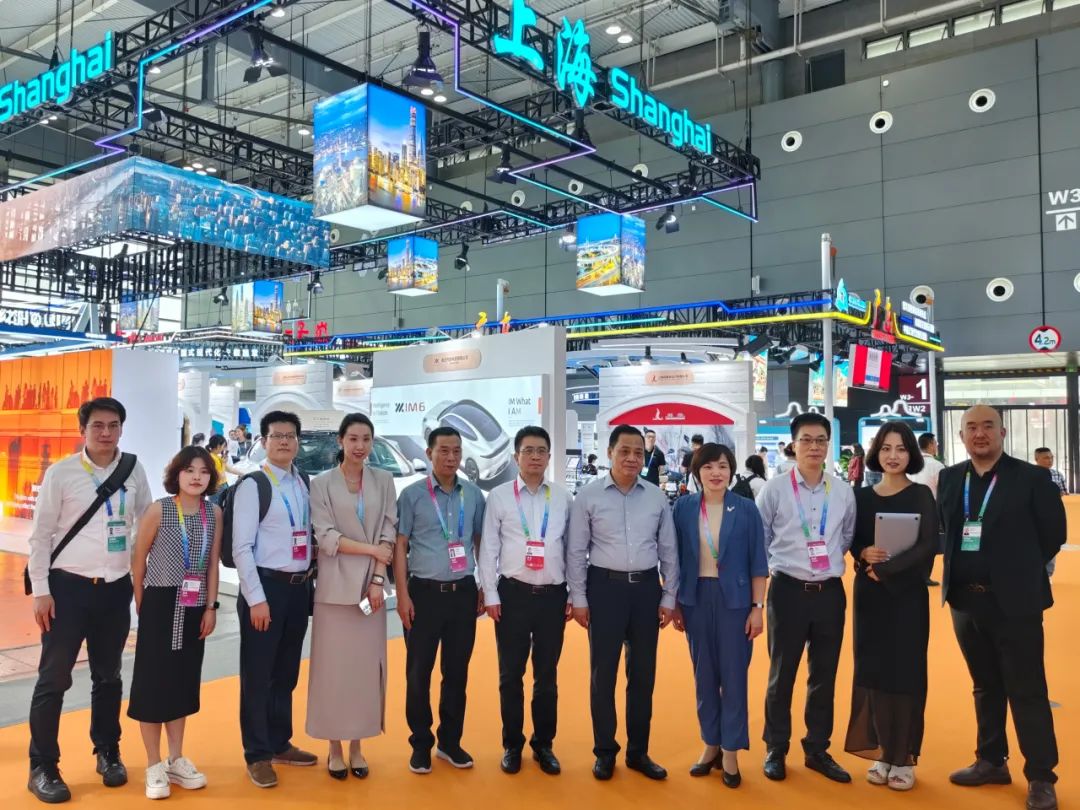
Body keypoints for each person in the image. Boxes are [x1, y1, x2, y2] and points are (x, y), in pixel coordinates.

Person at [26, 398, 154, 804]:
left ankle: (107, 751)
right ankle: (42, 766)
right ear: (82, 429)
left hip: (114, 589)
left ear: (121, 429)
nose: (106, 433)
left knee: (109, 676)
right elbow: (41, 535)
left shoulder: (133, 470)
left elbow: (146, 524)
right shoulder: (62, 473)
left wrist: (143, 581)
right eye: (98, 425)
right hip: (67, 590)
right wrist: (41, 591)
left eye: (113, 425)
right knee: (53, 679)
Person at [938, 405, 1065, 810]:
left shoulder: (1032, 478)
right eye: (971, 427)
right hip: (965, 601)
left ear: (1003, 432)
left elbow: (1053, 534)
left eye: (988, 426)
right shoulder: (950, 478)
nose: (980, 434)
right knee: (984, 685)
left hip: (1015, 604)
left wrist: (1017, 572)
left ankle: (1041, 776)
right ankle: (991, 760)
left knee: (1027, 689)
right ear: (961, 436)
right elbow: (948, 531)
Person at [567, 425, 679, 781]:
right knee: (603, 675)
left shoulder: (656, 497)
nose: (632, 458)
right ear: (610, 452)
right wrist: (579, 598)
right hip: (604, 590)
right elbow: (576, 551)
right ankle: (605, 751)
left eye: (638, 452)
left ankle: (638, 752)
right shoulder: (588, 496)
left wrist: (669, 595)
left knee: (643, 675)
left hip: (646, 590)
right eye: (624, 451)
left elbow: (669, 550)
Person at [756, 412, 857, 784]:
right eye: (807, 440)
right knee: (781, 674)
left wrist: (823, 564)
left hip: (829, 593)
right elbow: (761, 539)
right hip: (787, 591)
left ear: (828, 445)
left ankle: (817, 748)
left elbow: (846, 538)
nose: (814, 447)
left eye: (821, 440)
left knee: (824, 675)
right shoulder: (774, 489)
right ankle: (776, 747)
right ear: (793, 445)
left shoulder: (842, 491)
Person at [844, 422, 938, 791]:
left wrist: (886, 569)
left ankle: (904, 757)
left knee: (906, 673)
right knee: (874, 672)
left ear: (911, 454)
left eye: (900, 448)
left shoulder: (921, 495)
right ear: (876, 453)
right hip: (869, 597)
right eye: (886, 448)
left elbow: (927, 545)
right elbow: (852, 541)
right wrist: (863, 554)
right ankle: (883, 751)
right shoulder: (862, 497)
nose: (893, 455)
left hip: (907, 596)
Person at [129, 446, 223, 799]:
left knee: (183, 681)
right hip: (160, 601)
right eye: (189, 470)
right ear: (177, 474)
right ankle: (153, 763)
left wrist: (211, 606)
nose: (197, 477)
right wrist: (143, 602)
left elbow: (212, 563)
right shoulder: (160, 509)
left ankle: (176, 758)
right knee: (152, 682)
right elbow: (139, 558)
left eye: (204, 471)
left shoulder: (213, 513)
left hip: (195, 603)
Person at [478, 426, 572, 776]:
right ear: (516, 456)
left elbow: (572, 549)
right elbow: (489, 548)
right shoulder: (499, 497)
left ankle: (543, 744)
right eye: (528, 450)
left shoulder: (562, 498)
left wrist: (574, 593)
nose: (535, 456)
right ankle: (512, 744)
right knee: (510, 675)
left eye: (541, 450)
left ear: (549, 456)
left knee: (546, 675)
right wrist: (490, 593)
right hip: (512, 595)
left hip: (552, 597)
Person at [307, 414, 398, 780]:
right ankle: (333, 746)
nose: (360, 446)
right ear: (340, 441)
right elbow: (326, 537)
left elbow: (388, 531)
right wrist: (372, 550)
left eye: (366, 439)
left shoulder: (384, 481)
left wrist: (377, 579)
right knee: (332, 673)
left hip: (370, 592)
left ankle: (357, 745)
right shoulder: (321, 484)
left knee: (364, 672)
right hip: (333, 592)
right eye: (353, 439)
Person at [671, 444, 767, 787]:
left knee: (734, 677)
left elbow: (759, 562)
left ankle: (730, 751)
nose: (716, 473)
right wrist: (675, 602)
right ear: (697, 472)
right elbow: (674, 558)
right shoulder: (683, 507)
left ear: (731, 470)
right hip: (695, 599)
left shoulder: (746, 508)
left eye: (723, 466)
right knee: (704, 676)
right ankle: (710, 743)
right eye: (708, 466)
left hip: (736, 603)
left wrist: (758, 608)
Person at [393, 427, 486, 775]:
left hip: (463, 594)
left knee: (456, 673)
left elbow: (480, 542)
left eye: (456, 451)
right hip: (423, 594)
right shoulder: (413, 495)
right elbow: (400, 546)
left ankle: (450, 742)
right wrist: (402, 595)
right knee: (419, 673)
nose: (451, 457)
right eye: (444, 450)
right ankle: (420, 743)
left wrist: (484, 586)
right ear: (429, 453)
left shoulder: (473, 495)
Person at [232, 410, 318, 788]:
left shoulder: (304, 482)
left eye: (290, 435)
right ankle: (257, 753)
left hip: (299, 589)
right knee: (258, 675)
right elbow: (241, 547)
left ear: (298, 441)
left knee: (286, 672)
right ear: (263, 441)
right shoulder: (254, 485)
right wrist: (256, 599)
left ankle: (280, 742)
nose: (284, 441)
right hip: (265, 589)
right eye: (276, 435)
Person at [908, 434, 945, 498]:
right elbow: (944, 490)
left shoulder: (910, 465)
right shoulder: (937, 466)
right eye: (936, 443)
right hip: (931, 503)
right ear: (931, 445)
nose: (937, 446)